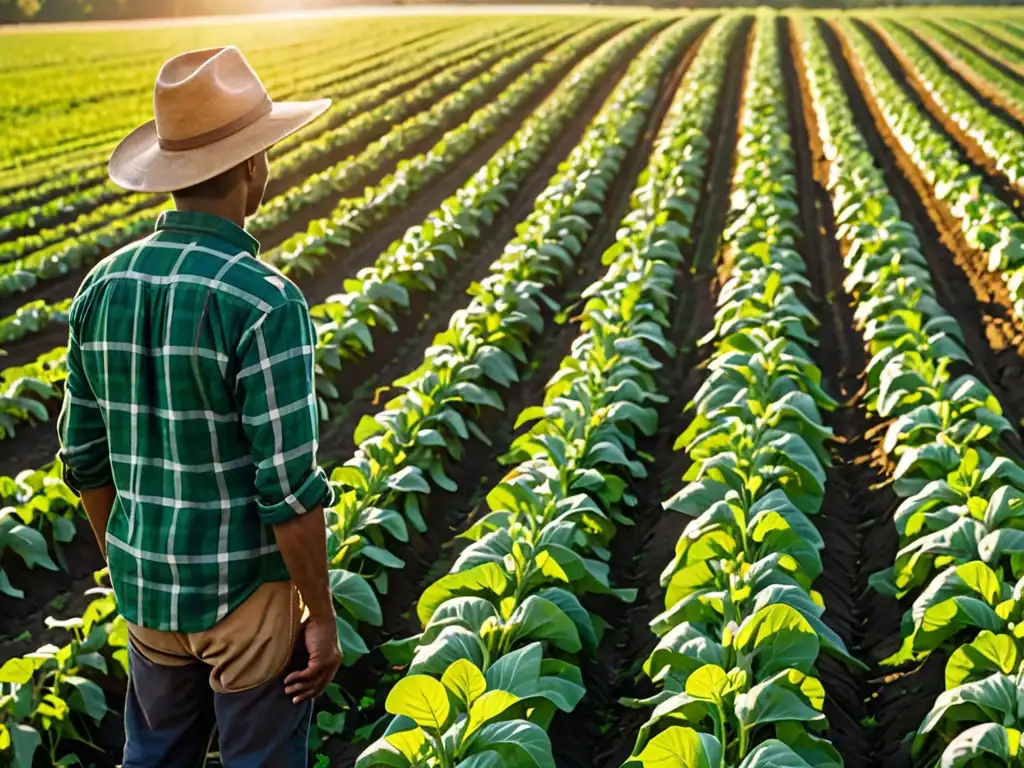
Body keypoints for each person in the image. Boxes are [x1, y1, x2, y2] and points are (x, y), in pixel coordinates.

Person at [56, 45, 342, 768]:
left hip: (147, 595)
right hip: (243, 593)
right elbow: (287, 490)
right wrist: (320, 614)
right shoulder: (264, 300)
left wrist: (128, 558)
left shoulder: (102, 286)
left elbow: (84, 459)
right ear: (252, 166)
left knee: (153, 756)